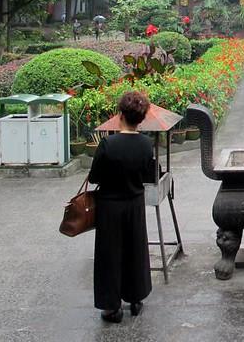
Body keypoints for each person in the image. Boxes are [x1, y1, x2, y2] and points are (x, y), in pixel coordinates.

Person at [88, 91, 156, 323]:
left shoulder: (108, 144)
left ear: (120, 115)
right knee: (135, 250)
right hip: (135, 204)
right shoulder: (147, 144)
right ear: (142, 118)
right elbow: (148, 175)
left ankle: (111, 306)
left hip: (109, 206)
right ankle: (136, 299)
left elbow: (95, 177)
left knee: (109, 254)